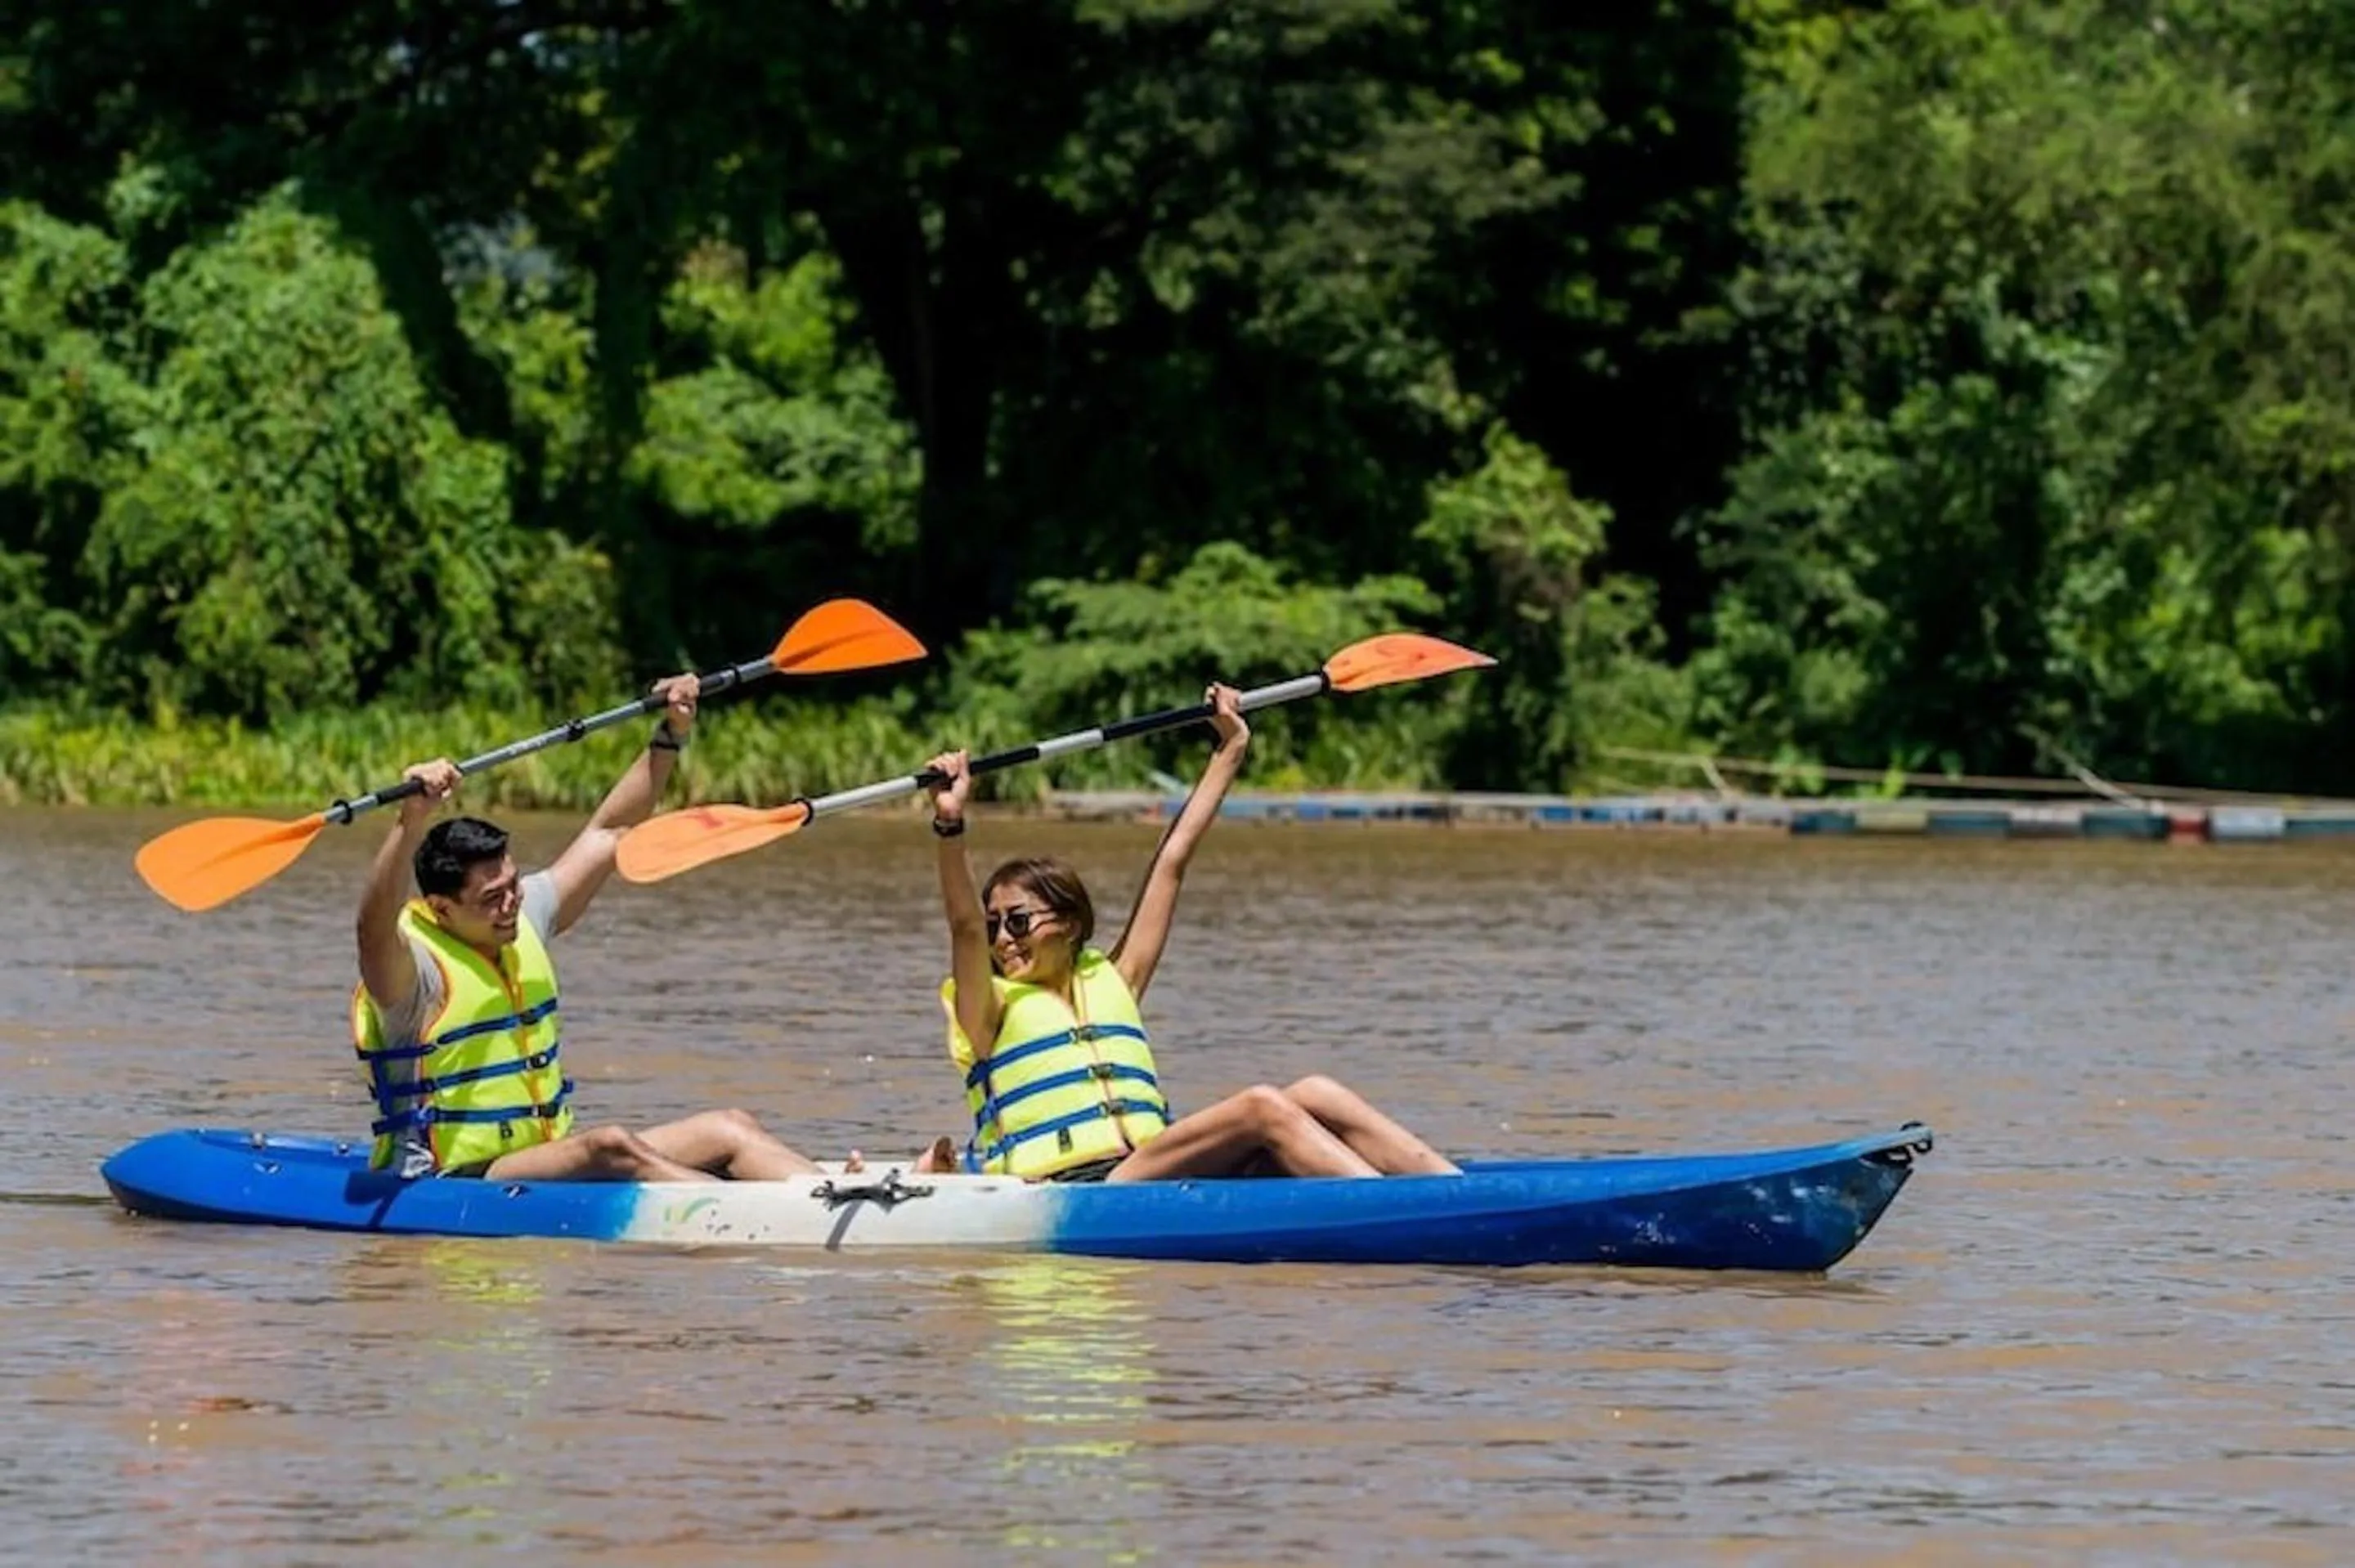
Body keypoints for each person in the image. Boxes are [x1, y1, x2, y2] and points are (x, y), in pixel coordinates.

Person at [922, 683, 1460, 1182]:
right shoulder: (986, 1010)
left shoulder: (1115, 978)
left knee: (1317, 1093)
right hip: (1075, 1185)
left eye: (1018, 922)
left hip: (1149, 1170)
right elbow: (964, 927)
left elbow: (1172, 861)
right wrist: (950, 823)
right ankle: (1404, 1209)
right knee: (1261, 1107)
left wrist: (1230, 749)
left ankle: (1449, 1189)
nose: (1002, 939)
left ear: (1068, 925)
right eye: (997, 926)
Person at [353, 674, 828, 1183]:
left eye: (513, 884)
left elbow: (610, 832)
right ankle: (754, 1213)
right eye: (492, 899)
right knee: (609, 1146)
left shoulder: (525, 914)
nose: (511, 904)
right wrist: (411, 819)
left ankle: (834, 1193)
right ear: (441, 908)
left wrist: (671, 733)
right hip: (450, 1177)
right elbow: (370, 928)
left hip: (542, 1157)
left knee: (730, 1127)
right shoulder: (410, 973)